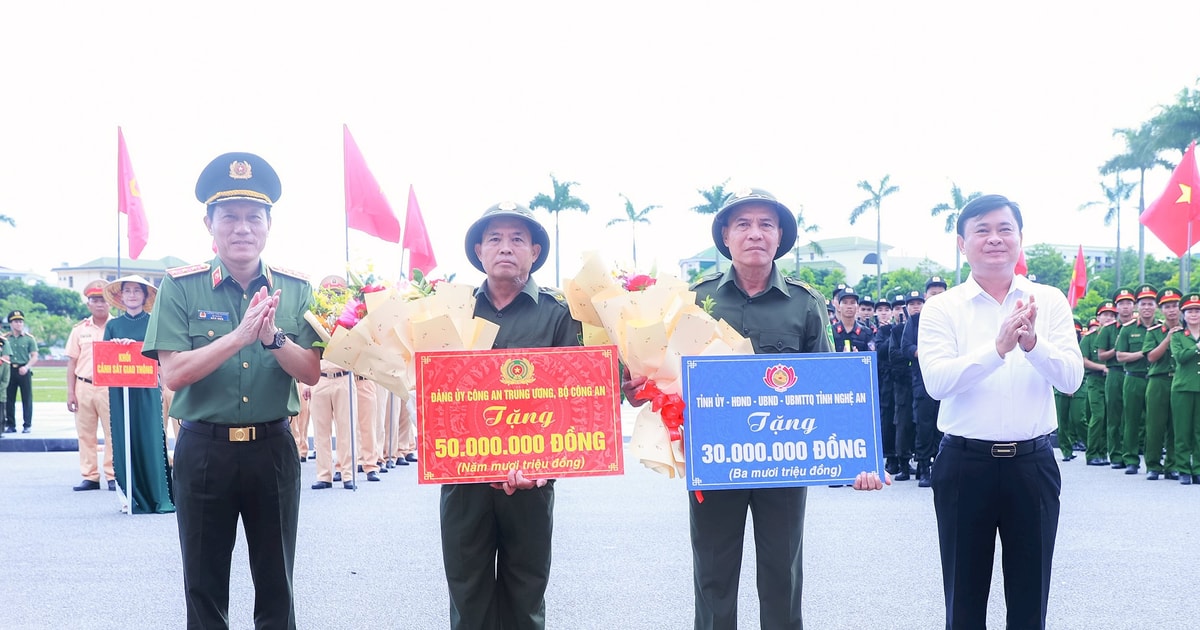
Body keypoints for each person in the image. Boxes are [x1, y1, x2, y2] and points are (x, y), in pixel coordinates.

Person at [627, 188, 886, 630]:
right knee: (713, 576)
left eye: (766, 224)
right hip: (715, 460)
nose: (755, 233)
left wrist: (860, 461)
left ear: (779, 236)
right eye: (743, 224)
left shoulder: (804, 302)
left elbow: (833, 387)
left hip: (784, 463)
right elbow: (659, 377)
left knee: (782, 574)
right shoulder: (691, 300)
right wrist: (641, 388)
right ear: (725, 236)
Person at [142, 152, 321, 628]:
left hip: (272, 448)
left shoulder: (296, 289)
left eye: (253, 217)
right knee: (203, 583)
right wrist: (238, 338)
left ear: (268, 225)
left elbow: (310, 372)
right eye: (230, 217)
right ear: (210, 224)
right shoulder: (181, 287)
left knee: (277, 582)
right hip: (205, 450)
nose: (242, 228)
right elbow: (173, 374)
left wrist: (272, 338)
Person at [919, 194, 1083, 629]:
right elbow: (937, 382)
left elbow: (1071, 379)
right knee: (964, 599)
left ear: (1020, 238)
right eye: (982, 230)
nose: (995, 239)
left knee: (1030, 600)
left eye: (1004, 229)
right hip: (964, 464)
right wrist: (997, 349)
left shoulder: (1048, 301)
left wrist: (1032, 345)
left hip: (1032, 466)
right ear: (962, 243)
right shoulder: (942, 307)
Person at [439, 201, 580, 630]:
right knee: (469, 600)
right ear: (478, 250)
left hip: (532, 479)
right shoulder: (450, 311)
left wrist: (545, 466)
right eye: (495, 239)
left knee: (526, 597)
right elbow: (430, 388)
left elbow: (577, 397)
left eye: (517, 239)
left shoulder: (560, 313)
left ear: (534, 252)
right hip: (464, 478)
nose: (505, 247)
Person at [103, 275, 174, 514]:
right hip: (120, 389)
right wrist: (116, 347)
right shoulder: (112, 326)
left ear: (145, 296)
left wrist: (136, 347)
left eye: (137, 291)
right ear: (121, 296)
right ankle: (129, 495)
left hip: (147, 388)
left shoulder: (154, 322)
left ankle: (157, 495)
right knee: (123, 436)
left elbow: (161, 355)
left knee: (150, 436)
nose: (132, 295)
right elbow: (104, 357)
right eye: (128, 291)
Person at [65, 280, 117, 491]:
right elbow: (72, 362)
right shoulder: (79, 330)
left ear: (110, 303)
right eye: (95, 300)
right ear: (88, 304)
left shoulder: (117, 326)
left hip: (109, 387)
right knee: (85, 433)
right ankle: (90, 476)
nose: (99, 304)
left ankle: (113, 475)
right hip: (84, 386)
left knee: (112, 433)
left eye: (103, 300)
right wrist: (70, 392)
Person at [1115, 284, 1159, 474]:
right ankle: (1131, 459)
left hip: (1156, 380)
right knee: (1131, 421)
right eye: (1143, 304)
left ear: (1156, 306)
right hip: (1134, 379)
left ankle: (1153, 461)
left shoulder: (1161, 329)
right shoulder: (1127, 329)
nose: (1147, 307)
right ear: (1137, 307)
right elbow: (1120, 356)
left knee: (1154, 422)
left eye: (1150, 303)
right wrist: (1143, 353)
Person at [1142, 287, 1182, 480]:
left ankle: (1172, 465)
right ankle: (1153, 465)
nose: (1172, 310)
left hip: (1180, 381)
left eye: (1175, 306)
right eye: (1167, 307)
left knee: (1177, 425)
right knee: (1155, 425)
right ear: (1161, 309)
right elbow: (1151, 357)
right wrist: (1167, 339)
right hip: (1158, 381)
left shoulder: (1189, 331)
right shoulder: (1154, 332)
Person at [1097, 287, 1136, 469]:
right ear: (1116, 307)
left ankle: (1131, 454)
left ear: (1133, 306)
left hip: (1134, 374)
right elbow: (1101, 355)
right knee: (1114, 416)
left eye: (1128, 303)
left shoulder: (1141, 327)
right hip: (1115, 373)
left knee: (1132, 417)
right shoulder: (1108, 329)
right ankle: (1115, 455)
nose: (1125, 307)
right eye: (1121, 304)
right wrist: (1118, 350)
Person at [1169, 292, 1200, 485]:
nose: (1194, 314)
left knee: (1199, 431)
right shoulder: (1178, 335)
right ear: (1184, 314)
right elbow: (1179, 357)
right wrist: (1197, 347)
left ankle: (1198, 468)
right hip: (1182, 388)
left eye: (1197, 310)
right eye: (1190, 311)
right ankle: (1183, 468)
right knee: (1182, 431)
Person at [1083, 303, 1115, 466]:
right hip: (1095, 380)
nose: (1108, 318)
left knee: (1108, 417)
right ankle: (1092, 453)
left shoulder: (1116, 336)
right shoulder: (1089, 337)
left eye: (1112, 315)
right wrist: (1102, 367)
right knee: (1098, 415)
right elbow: (1083, 361)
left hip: (1111, 381)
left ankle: (1103, 452)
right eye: (1105, 314)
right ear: (1098, 318)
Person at [5, 310, 38, 433]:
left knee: (27, 398)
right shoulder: (6, 339)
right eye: (16, 322)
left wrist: (27, 367)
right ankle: (11, 425)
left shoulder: (29, 339)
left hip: (24, 370)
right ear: (11, 323)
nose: (19, 324)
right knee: (9, 398)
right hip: (10, 370)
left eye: (20, 321)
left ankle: (27, 425)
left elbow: (34, 356)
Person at [832, 287, 873, 352]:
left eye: (852, 302)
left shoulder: (866, 333)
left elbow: (871, 356)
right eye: (845, 302)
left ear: (857, 307)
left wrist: (858, 356)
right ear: (839, 307)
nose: (849, 306)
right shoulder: (831, 332)